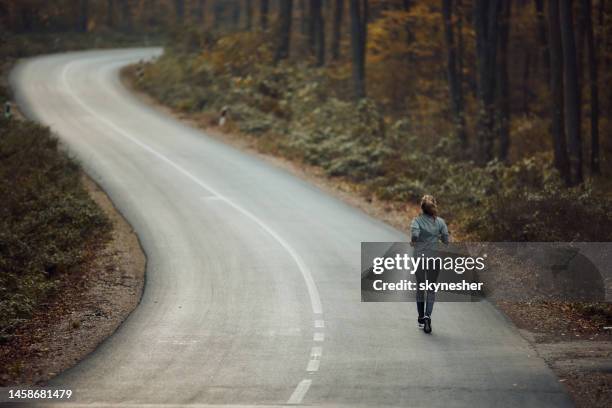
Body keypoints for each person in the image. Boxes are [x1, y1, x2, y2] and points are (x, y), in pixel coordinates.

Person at [410, 195, 449, 334]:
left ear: (422, 207)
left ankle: (421, 317)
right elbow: (446, 241)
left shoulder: (416, 221)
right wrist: (439, 237)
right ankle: (428, 316)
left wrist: (414, 241)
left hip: (419, 257)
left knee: (420, 287)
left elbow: (415, 235)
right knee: (431, 288)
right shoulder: (440, 222)